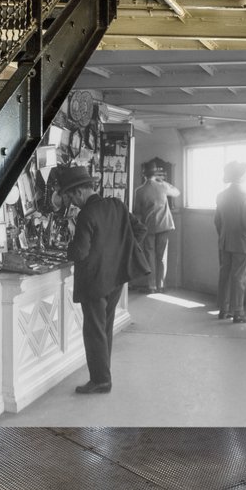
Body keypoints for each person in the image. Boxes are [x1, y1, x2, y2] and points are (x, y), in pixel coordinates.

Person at [59, 165, 148, 394]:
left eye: (70, 197)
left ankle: (100, 380)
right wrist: (119, 251)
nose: (72, 202)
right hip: (116, 279)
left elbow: (80, 252)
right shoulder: (116, 205)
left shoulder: (86, 215)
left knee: (94, 331)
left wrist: (65, 248)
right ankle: (103, 375)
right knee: (104, 328)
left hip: (94, 282)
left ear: (79, 192)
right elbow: (140, 230)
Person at [214, 160, 246, 323]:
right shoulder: (245, 196)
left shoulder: (221, 196)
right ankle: (238, 312)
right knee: (238, 278)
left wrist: (224, 235)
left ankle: (223, 309)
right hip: (242, 243)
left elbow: (217, 221)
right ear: (241, 176)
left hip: (225, 241)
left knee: (224, 275)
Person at [132, 163, 182, 293]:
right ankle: (161, 285)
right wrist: (163, 181)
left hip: (148, 226)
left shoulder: (139, 190)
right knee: (162, 256)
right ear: (155, 174)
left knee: (149, 256)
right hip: (164, 225)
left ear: (144, 174)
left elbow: (137, 210)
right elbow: (177, 193)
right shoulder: (163, 186)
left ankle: (151, 286)